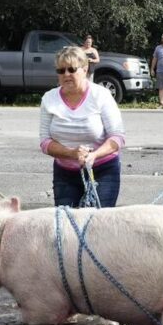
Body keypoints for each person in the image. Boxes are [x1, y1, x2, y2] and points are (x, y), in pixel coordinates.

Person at [39, 46, 126, 208]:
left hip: (103, 170)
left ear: (85, 69)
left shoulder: (101, 95)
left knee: (98, 225)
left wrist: (94, 155)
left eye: (71, 69)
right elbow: (44, 142)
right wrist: (71, 153)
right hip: (65, 173)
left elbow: (118, 137)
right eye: (61, 70)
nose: (66, 74)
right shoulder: (49, 99)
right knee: (66, 226)